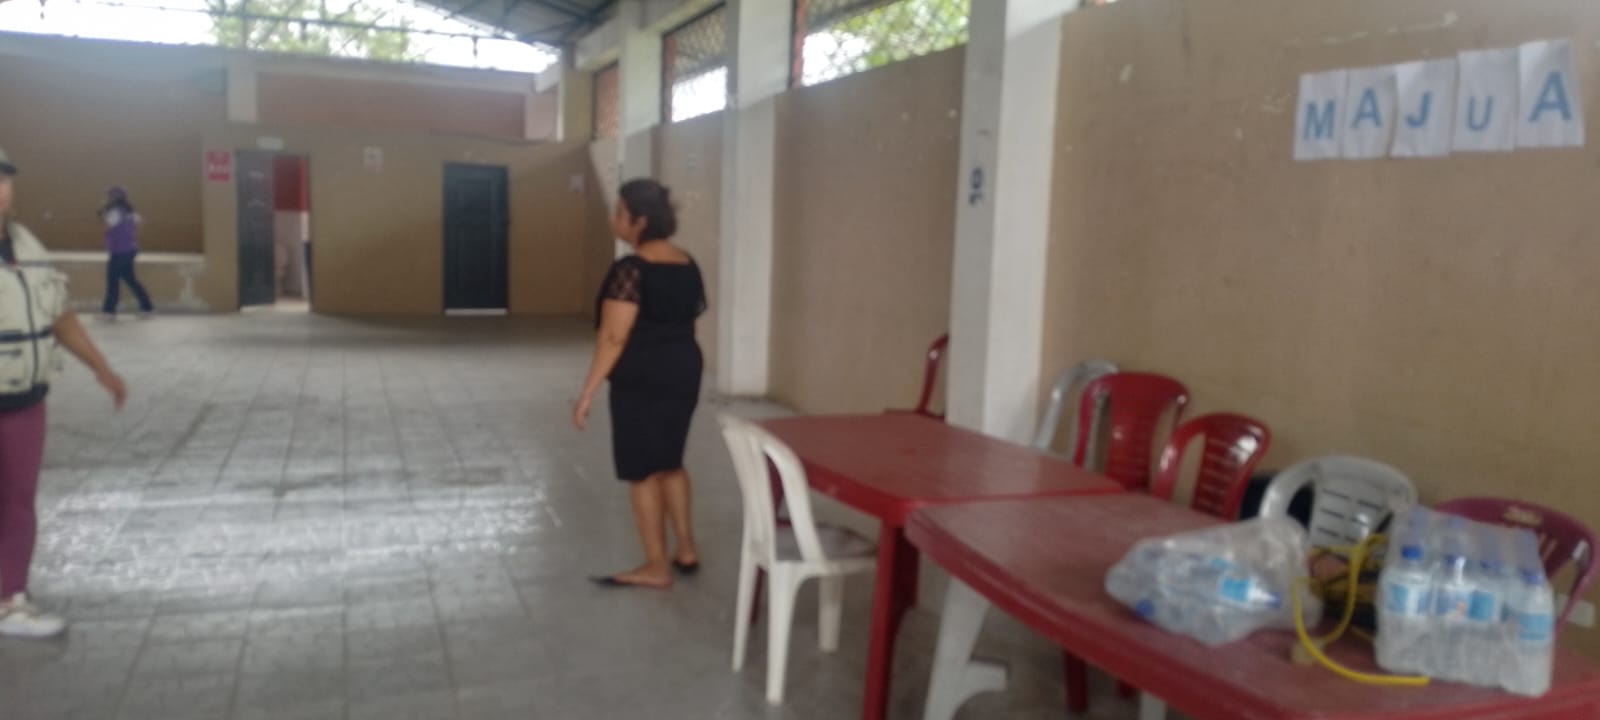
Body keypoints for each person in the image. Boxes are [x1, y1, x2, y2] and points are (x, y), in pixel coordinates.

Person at [0, 149, 127, 637]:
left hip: (24, 399)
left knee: (18, 500)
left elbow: (59, 314)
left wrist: (102, 368)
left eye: (5, 180)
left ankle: (10, 598)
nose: (0, 190)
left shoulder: (26, 245)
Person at [573, 179, 706, 589]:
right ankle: (686, 549)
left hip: (643, 376)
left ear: (640, 221)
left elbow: (613, 337)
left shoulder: (631, 269)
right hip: (683, 368)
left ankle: (655, 566)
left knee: (642, 471)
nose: (614, 219)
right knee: (670, 460)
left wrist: (588, 391)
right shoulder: (686, 262)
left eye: (620, 213)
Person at [98, 185, 153, 319]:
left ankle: (109, 311)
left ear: (115, 197)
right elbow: (141, 223)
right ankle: (147, 308)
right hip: (130, 250)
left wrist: (103, 212)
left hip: (119, 252)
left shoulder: (114, 212)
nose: (107, 198)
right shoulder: (129, 212)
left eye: (110, 196)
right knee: (131, 280)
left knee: (113, 280)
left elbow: (106, 226)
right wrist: (131, 238)